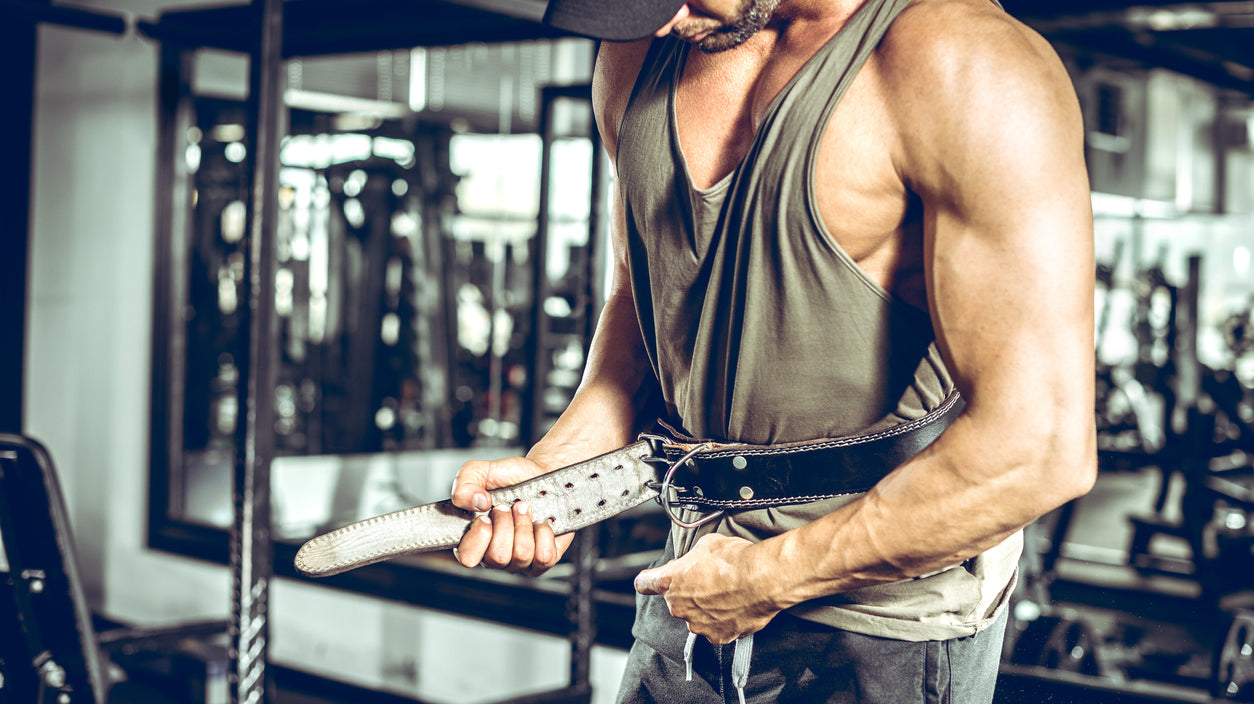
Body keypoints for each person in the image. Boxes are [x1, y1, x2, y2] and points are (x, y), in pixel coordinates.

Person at [450, 0, 1097, 701]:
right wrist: (558, 471)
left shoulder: (963, 64)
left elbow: (1038, 450)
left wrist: (768, 577)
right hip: (693, 588)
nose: (662, 22)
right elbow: (647, 301)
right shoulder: (640, 50)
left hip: (884, 627)